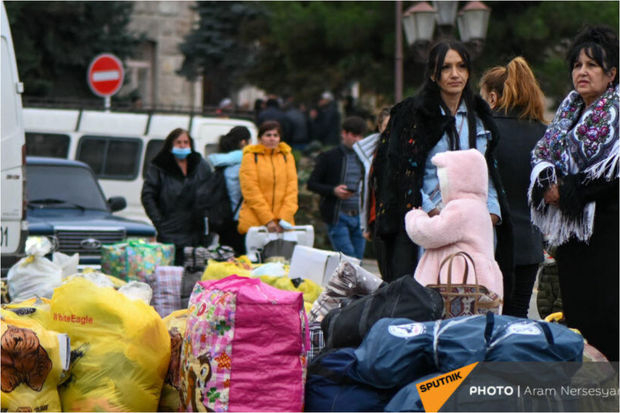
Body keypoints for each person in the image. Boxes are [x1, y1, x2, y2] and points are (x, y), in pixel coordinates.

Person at [372, 40, 513, 286]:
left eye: (461, 66)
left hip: (475, 230)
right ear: (433, 74)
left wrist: (489, 214)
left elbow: (488, 173)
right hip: (428, 225)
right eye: (446, 67)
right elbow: (399, 173)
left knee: (474, 306)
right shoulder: (411, 114)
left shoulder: (480, 117)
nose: (455, 74)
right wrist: (431, 213)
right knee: (427, 303)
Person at [528, 26, 618, 361]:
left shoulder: (618, 111)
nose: (582, 72)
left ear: (612, 74)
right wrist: (546, 185)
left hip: (608, 231)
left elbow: (613, 175)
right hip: (570, 233)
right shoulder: (567, 110)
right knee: (577, 314)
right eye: (577, 65)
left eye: (592, 66)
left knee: (608, 313)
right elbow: (542, 155)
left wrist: (569, 190)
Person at [479, 57, 547, 318]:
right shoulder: (543, 133)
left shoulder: (484, 133)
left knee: (485, 321)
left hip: (490, 243)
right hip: (529, 245)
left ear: (493, 98)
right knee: (517, 319)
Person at [141, 128, 212, 265]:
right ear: (170, 145)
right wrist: (160, 222)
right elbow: (148, 196)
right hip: (170, 229)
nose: (183, 145)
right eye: (178, 142)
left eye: (186, 142)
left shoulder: (200, 165)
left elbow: (210, 192)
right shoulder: (159, 167)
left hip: (196, 231)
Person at [308, 116, 368, 260]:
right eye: (354, 135)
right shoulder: (329, 157)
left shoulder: (366, 158)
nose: (357, 139)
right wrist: (333, 190)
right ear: (344, 133)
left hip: (360, 216)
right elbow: (312, 183)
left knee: (357, 259)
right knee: (348, 258)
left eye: (360, 136)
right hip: (338, 215)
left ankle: (352, 282)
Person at [238, 120, 298, 234]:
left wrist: (283, 219)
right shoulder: (250, 157)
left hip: (283, 225)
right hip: (256, 223)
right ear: (260, 138)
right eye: (268, 135)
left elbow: (292, 190)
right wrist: (268, 220)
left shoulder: (287, 156)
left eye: (275, 135)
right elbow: (251, 190)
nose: (272, 138)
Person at [208, 126, 250, 255]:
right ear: (244, 142)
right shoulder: (243, 159)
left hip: (223, 217)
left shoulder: (223, 165)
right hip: (239, 219)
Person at [353, 107, 391, 241]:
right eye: (387, 126)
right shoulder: (368, 154)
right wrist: (365, 225)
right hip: (376, 219)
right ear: (380, 127)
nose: (391, 130)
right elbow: (364, 191)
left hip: (402, 220)